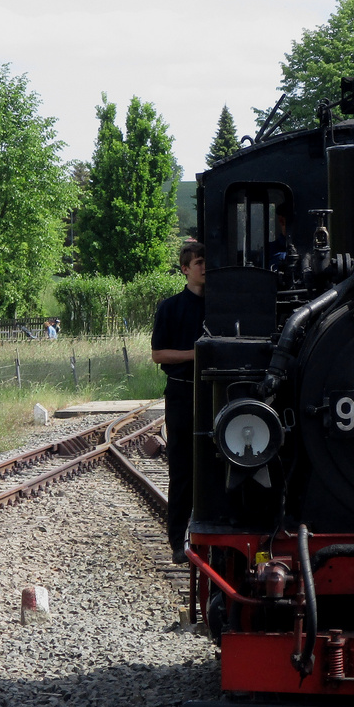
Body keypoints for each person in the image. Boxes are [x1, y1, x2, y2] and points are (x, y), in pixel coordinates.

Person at [152, 240, 207, 563]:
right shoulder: (170, 308)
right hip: (182, 392)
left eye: (206, 262)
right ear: (185, 269)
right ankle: (177, 542)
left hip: (214, 393)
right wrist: (196, 353)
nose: (204, 267)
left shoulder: (222, 304)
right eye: (198, 262)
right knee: (183, 470)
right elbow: (159, 354)